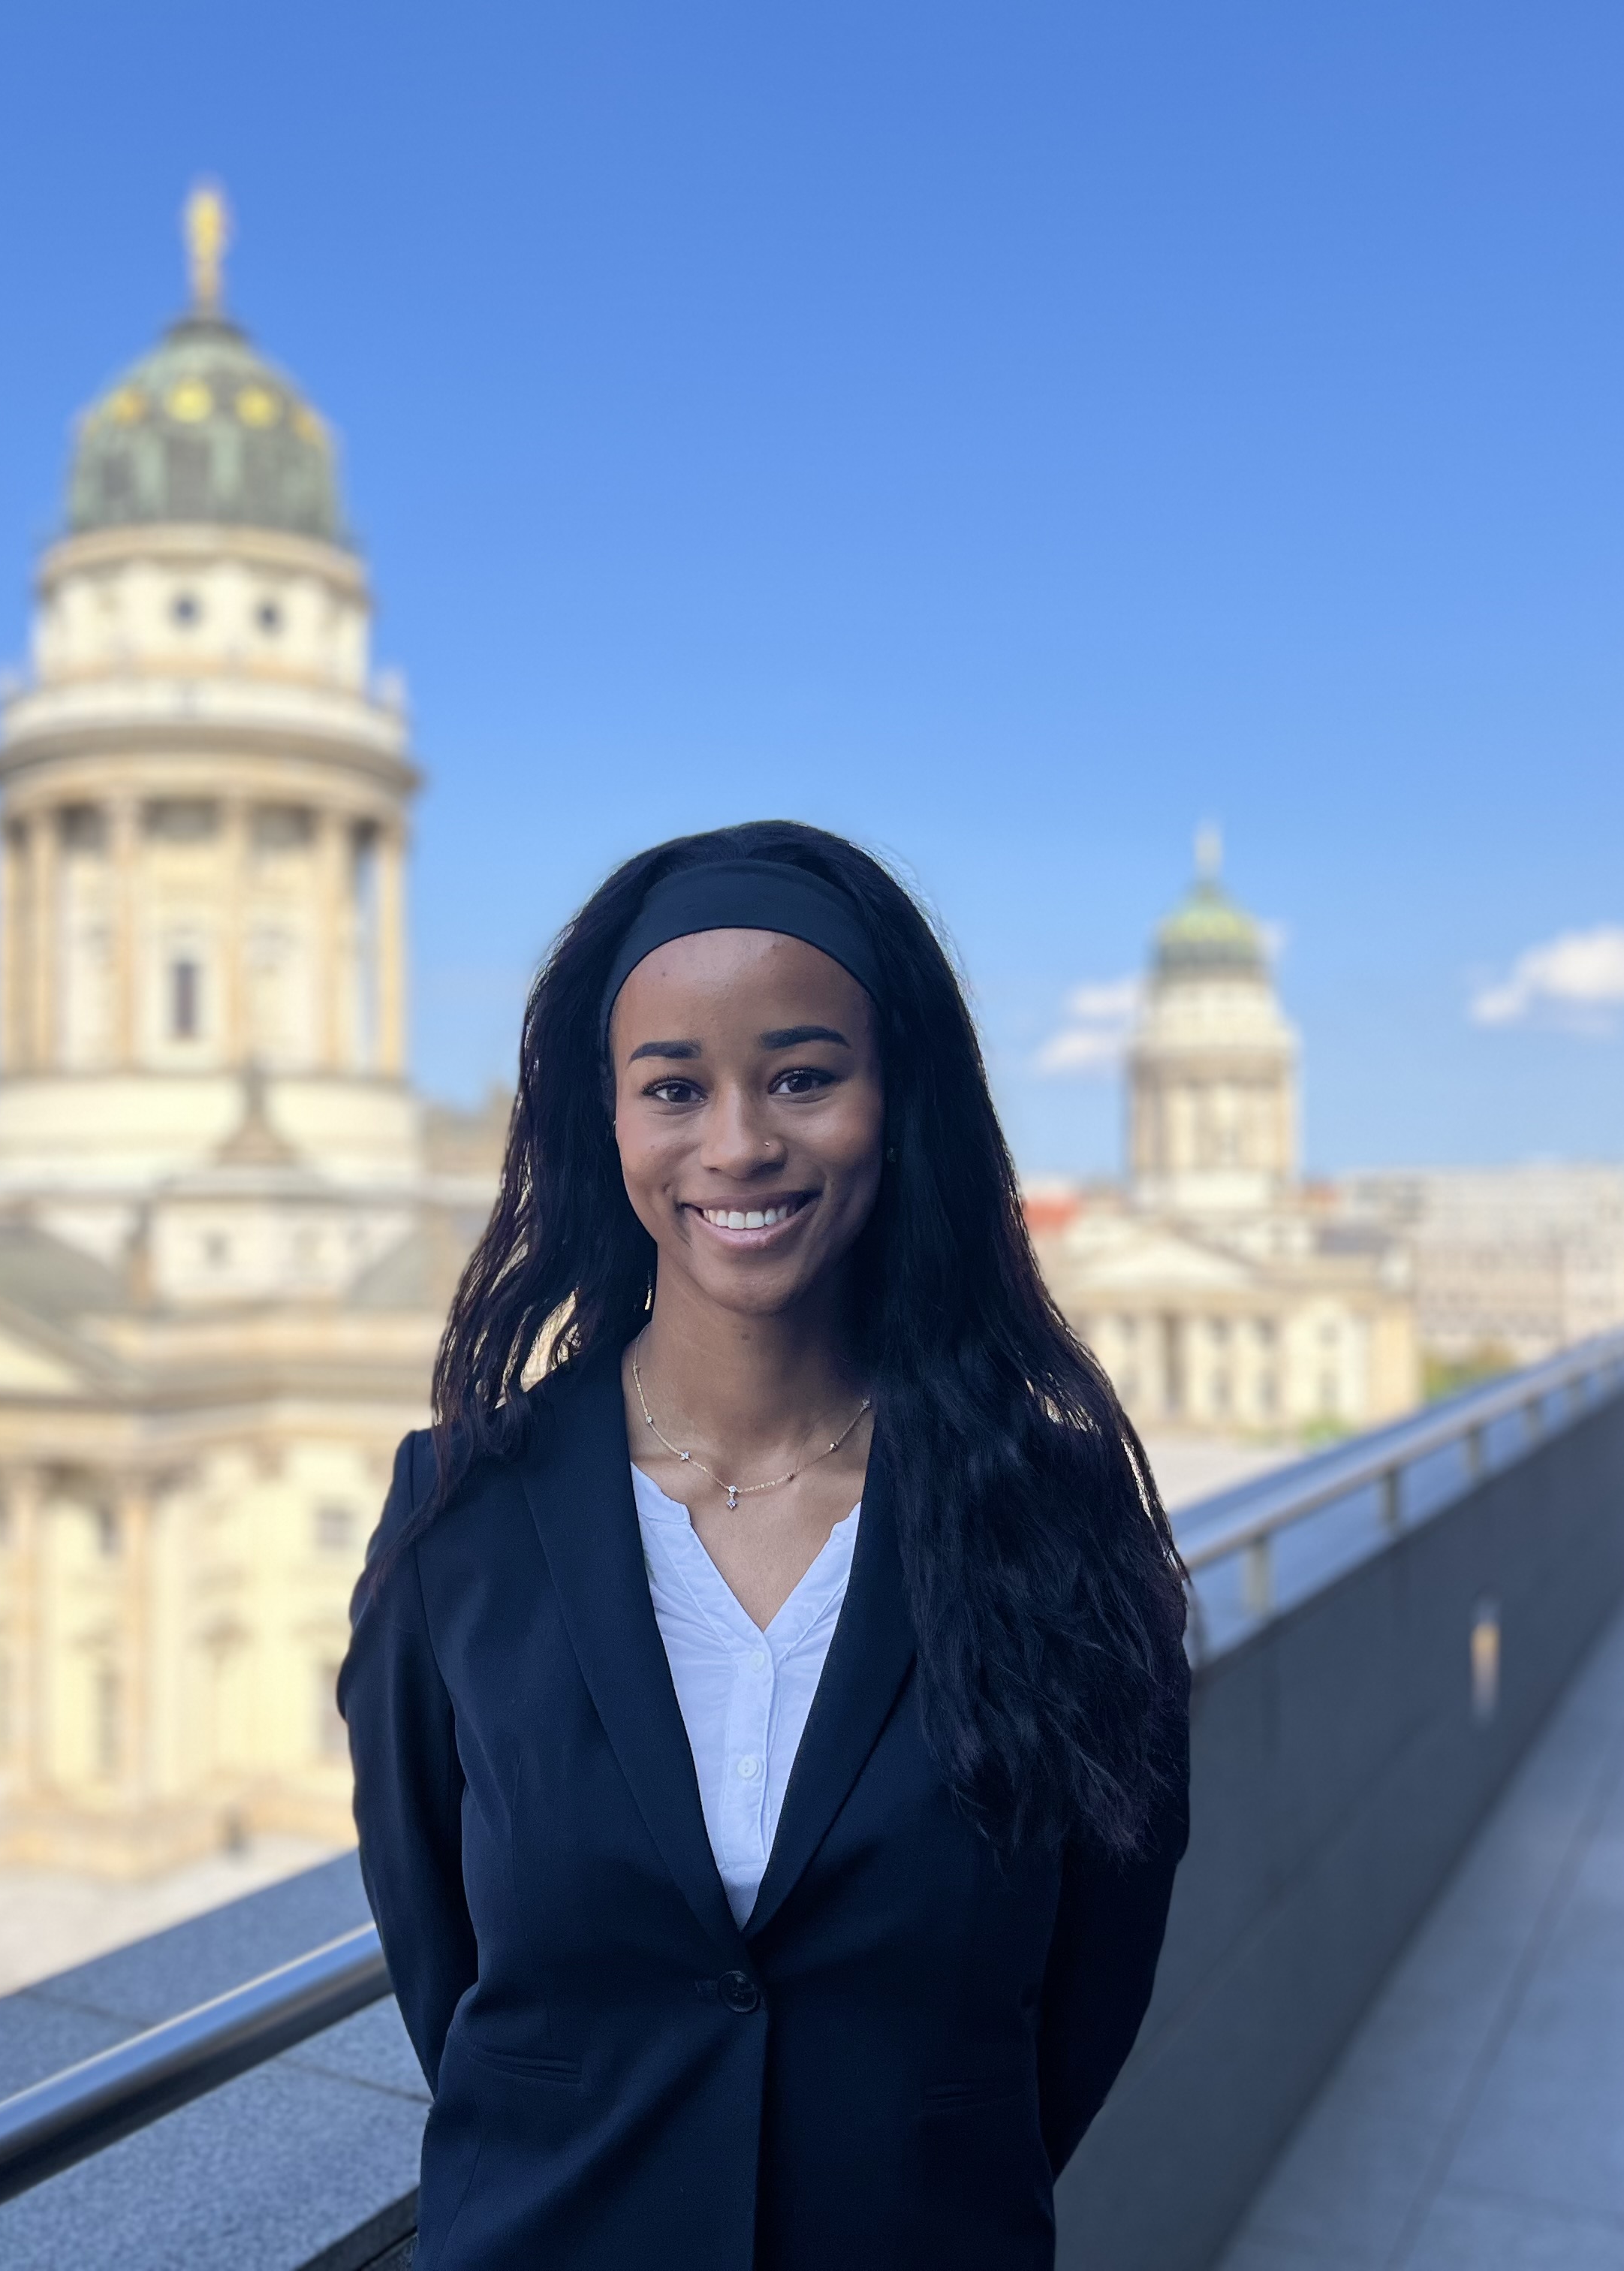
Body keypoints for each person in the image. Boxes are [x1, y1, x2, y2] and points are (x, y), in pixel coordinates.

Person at [341, 820, 1190, 2269]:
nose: (738, 1142)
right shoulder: (459, 1522)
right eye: (674, 1087)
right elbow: (444, 1968)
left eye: (803, 1075)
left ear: (897, 1102)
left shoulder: (1058, 1522)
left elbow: (1093, 1984)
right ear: (602, 1124)